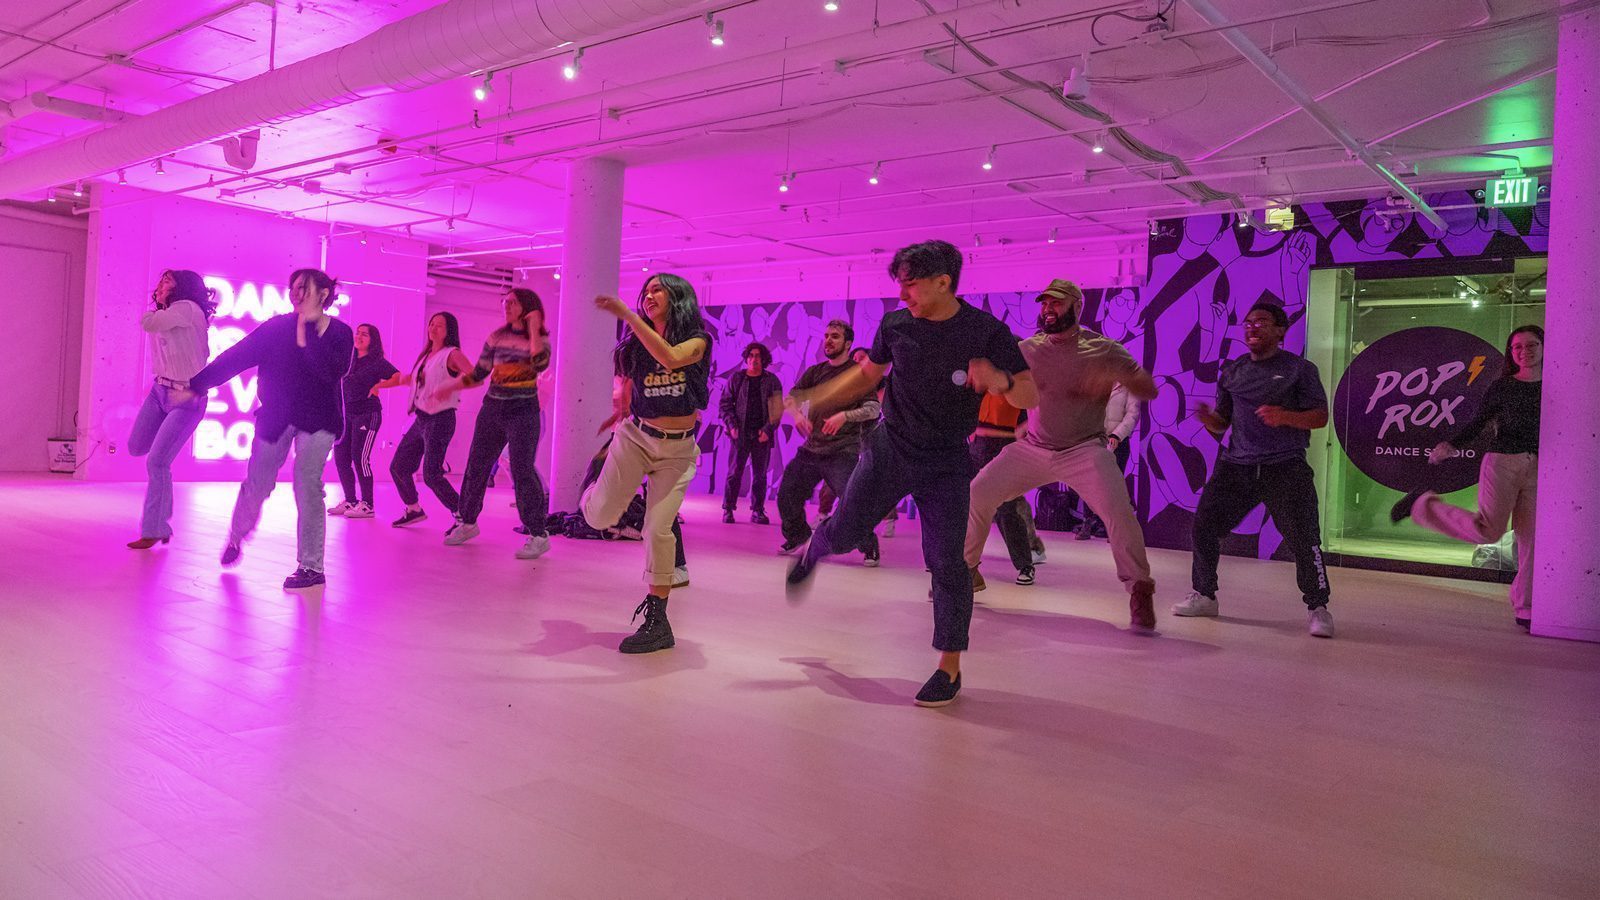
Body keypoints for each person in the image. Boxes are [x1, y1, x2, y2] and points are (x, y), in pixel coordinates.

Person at [786, 240, 1035, 707]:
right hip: (890, 449)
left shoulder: (985, 331)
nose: (902, 294)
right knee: (844, 534)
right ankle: (812, 549)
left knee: (948, 563)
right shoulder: (895, 325)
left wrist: (999, 381)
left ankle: (949, 668)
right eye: (899, 284)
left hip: (945, 462)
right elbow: (867, 376)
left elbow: (1029, 394)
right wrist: (819, 398)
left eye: (911, 284)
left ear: (944, 282)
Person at [964, 279, 1160, 629]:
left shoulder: (1104, 350)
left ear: (1076, 306)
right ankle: (965, 573)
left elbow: (1147, 388)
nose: (1047, 310)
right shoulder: (1029, 349)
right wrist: (987, 376)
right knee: (979, 492)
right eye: (1044, 304)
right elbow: (1004, 381)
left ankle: (1140, 590)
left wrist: (1128, 380)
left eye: (1056, 303)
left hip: (1085, 449)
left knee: (1119, 513)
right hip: (1035, 447)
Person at [179, 268, 353, 589]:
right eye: (293, 288)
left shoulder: (340, 333)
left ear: (324, 293)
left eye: (304, 288)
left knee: (307, 483)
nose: (296, 294)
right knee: (258, 483)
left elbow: (330, 371)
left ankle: (311, 567)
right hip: (276, 416)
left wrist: (307, 332)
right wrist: (197, 385)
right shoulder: (275, 328)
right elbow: (237, 356)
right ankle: (236, 537)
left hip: (320, 421)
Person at [1174, 301, 1335, 637]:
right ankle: (1204, 595)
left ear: (1280, 331)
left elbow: (1320, 417)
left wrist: (1285, 416)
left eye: (1261, 321)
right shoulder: (1233, 371)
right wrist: (1208, 420)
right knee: (1204, 526)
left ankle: (1318, 607)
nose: (1252, 327)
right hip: (1237, 467)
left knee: (1304, 540)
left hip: (1285, 466)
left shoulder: (1300, 369)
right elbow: (1222, 424)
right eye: (1247, 323)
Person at [582, 274, 713, 654]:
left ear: (678, 298)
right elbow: (628, 384)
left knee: (658, 529)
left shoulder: (698, 341)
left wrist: (625, 313)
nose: (649, 294)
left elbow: (670, 358)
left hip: (678, 450)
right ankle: (594, 490)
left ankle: (658, 621)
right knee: (599, 518)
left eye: (658, 289)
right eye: (646, 290)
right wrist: (619, 410)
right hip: (636, 438)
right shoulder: (635, 346)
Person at [1391, 325, 1543, 630]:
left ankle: (1525, 607)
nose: (1524, 352)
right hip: (1503, 463)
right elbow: (1479, 422)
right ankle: (1423, 506)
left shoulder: (1557, 384)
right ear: (1511, 353)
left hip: (1541, 467)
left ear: (1543, 346)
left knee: (1533, 541)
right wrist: (1452, 445)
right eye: (1517, 347)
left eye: (1531, 345)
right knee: (1489, 531)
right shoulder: (1503, 387)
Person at [439, 289, 552, 560]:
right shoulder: (496, 336)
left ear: (527, 308)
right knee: (476, 465)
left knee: (522, 469)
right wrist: (450, 386)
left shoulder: (539, 338)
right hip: (492, 409)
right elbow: (479, 372)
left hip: (524, 411)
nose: (506, 306)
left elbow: (540, 364)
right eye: (505, 301)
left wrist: (535, 326)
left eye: (513, 302)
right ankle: (467, 522)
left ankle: (538, 534)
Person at [775, 319, 881, 566]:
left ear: (848, 343)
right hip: (812, 449)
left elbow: (874, 409)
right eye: (826, 336)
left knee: (852, 502)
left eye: (835, 336)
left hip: (842, 451)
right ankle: (799, 536)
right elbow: (791, 398)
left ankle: (869, 545)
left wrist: (845, 415)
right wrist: (798, 415)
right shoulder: (815, 372)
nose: (828, 340)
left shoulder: (858, 376)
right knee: (787, 494)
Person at [127, 269, 215, 550]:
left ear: (184, 286)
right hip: (160, 390)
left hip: (187, 396)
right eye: (162, 280)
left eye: (168, 281)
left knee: (157, 462)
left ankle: (155, 528)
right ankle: (158, 522)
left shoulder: (188, 309)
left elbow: (149, 323)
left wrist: (157, 305)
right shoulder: (169, 312)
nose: (162, 284)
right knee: (136, 446)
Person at [373, 312, 474, 528]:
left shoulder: (452, 354)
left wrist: (450, 386)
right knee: (399, 467)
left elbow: (475, 376)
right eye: (432, 323)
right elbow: (410, 380)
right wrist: (380, 384)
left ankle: (463, 516)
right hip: (421, 419)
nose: (433, 328)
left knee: (431, 474)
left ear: (449, 331)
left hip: (441, 419)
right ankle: (414, 509)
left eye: (439, 325)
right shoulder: (427, 356)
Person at [967, 392, 1041, 585]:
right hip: (977, 448)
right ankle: (961, 565)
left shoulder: (1014, 387)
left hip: (1003, 449)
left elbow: (1026, 422)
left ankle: (1025, 564)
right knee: (967, 508)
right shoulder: (978, 386)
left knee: (1007, 510)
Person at [328, 323, 397, 519]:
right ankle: (351, 500)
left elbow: (399, 377)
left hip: (368, 414)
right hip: (347, 415)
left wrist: (378, 385)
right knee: (341, 457)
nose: (358, 336)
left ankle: (368, 504)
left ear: (372, 340)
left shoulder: (377, 362)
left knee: (360, 458)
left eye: (364, 334)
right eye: (357, 333)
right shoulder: (349, 361)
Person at [719, 341, 782, 524]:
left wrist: (768, 430)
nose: (754, 359)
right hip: (740, 434)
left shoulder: (772, 381)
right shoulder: (736, 378)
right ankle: (728, 509)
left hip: (762, 435)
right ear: (746, 358)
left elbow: (777, 410)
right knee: (734, 473)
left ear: (764, 360)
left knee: (760, 475)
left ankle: (757, 511)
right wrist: (731, 426)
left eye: (758, 356)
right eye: (751, 356)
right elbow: (725, 405)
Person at [1075, 382, 1142, 540]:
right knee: (1089, 483)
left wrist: (1117, 435)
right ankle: (1088, 522)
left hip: (1118, 442)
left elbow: (1133, 414)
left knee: (1113, 486)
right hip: (1094, 440)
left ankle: (1113, 527)